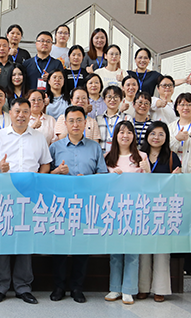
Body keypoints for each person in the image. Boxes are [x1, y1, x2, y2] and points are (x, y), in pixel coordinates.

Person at [0, 98, 51, 304]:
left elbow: (46, 164)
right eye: (17, 111)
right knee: (3, 241)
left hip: (29, 196)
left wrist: (38, 181)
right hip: (4, 195)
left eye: (25, 111)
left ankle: (23, 287)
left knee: (25, 241)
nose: (21, 115)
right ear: (10, 113)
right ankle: (0, 286)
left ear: (30, 114)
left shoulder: (39, 137)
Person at [49, 105, 108, 303]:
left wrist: (88, 180)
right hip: (61, 204)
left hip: (85, 204)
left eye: (79, 120)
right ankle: (58, 287)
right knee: (59, 248)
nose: (75, 124)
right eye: (71, 121)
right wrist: (57, 172)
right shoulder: (55, 147)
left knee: (82, 248)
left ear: (86, 123)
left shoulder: (94, 147)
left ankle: (77, 287)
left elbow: (103, 175)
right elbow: (44, 176)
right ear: (65, 123)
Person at [104, 121, 151, 304]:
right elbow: (101, 183)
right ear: (115, 135)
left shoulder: (142, 156)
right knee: (115, 252)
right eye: (121, 132)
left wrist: (147, 170)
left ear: (134, 136)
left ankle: (129, 290)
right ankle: (115, 288)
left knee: (132, 251)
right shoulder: (108, 157)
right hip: (113, 210)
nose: (125, 135)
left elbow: (149, 184)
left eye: (129, 132)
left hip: (135, 209)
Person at [138, 121, 181, 302]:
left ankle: (160, 289)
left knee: (162, 251)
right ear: (147, 136)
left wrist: (175, 178)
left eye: (161, 134)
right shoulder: (139, 156)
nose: (156, 137)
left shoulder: (172, 157)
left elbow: (176, 185)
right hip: (142, 207)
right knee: (143, 250)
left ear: (166, 137)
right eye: (153, 133)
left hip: (164, 208)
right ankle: (142, 287)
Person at [127, 47, 191, 96]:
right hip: (130, 105)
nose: (142, 60)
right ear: (135, 59)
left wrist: (184, 80)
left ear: (149, 60)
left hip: (146, 106)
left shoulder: (153, 75)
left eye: (145, 58)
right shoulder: (128, 74)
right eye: (140, 57)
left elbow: (168, 83)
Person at [97, 85, 131, 152]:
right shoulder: (98, 119)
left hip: (119, 154)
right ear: (104, 100)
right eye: (109, 97)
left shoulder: (127, 118)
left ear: (121, 99)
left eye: (116, 97)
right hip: (101, 154)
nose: (112, 100)